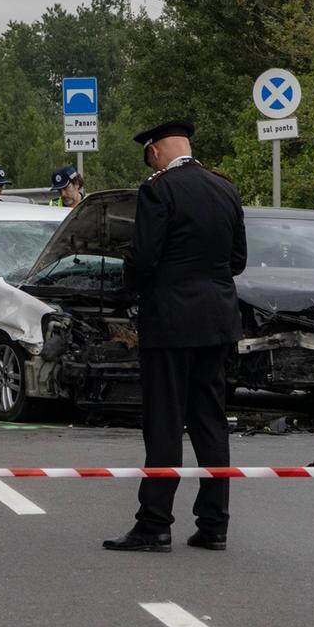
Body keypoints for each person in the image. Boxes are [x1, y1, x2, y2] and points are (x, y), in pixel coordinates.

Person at [103, 120, 246, 554]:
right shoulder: (226, 189)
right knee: (210, 420)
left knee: (164, 422)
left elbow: (144, 257)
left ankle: (155, 524)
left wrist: (127, 291)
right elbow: (238, 260)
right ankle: (214, 525)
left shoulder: (157, 191)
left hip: (170, 323)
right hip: (218, 321)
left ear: (156, 152)